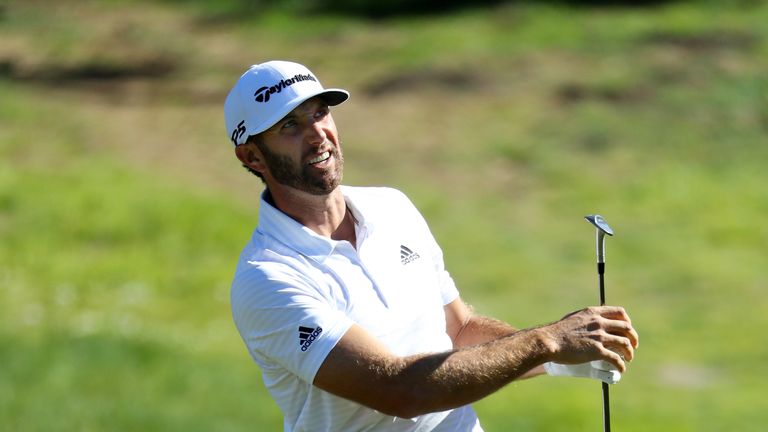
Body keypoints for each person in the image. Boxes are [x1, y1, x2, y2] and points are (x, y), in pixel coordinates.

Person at [224, 60, 639, 432]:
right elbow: (400, 391)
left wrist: (558, 359)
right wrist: (546, 341)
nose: (318, 135)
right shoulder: (268, 277)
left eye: (320, 113)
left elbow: (456, 331)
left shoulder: (391, 206)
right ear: (252, 157)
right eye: (289, 127)